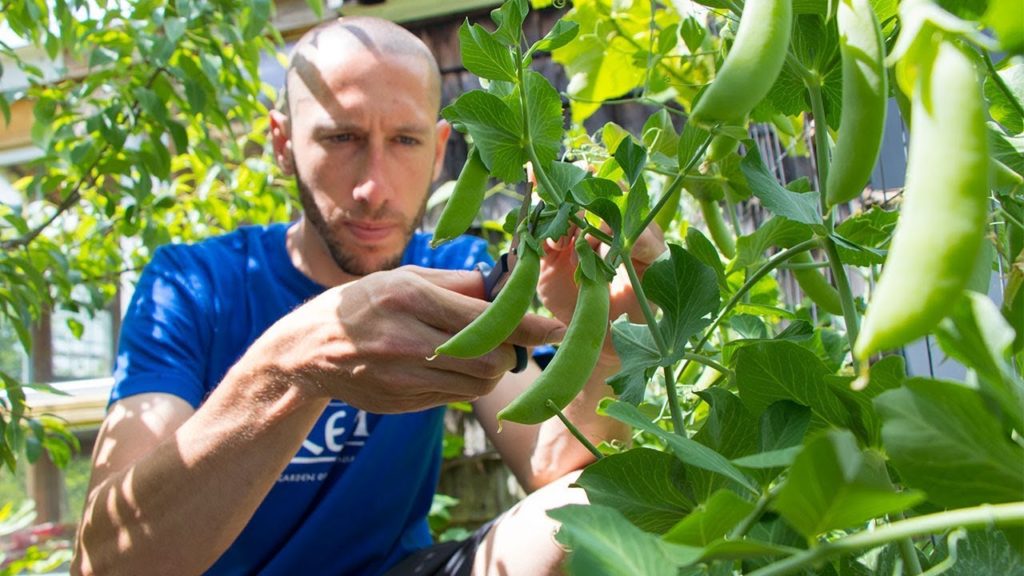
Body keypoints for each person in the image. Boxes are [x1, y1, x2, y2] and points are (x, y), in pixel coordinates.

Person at [71, 16, 664, 576]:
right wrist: (295, 363)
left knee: (598, 509)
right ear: (282, 143)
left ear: (438, 152)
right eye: (342, 136)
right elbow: (105, 562)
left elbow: (549, 464)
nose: (373, 187)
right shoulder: (189, 285)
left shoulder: (454, 270)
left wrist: (606, 340)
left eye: (405, 140)